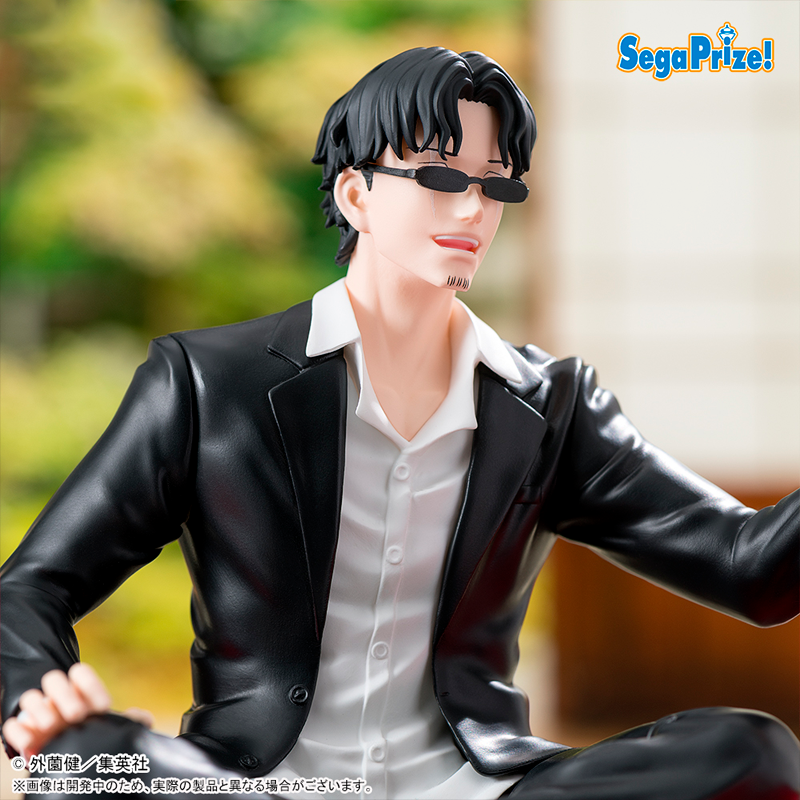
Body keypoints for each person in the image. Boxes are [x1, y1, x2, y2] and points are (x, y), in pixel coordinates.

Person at [1, 47, 798, 800]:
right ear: (356, 195)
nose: (472, 208)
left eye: (496, 186)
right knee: (85, 755)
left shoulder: (548, 406)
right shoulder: (210, 382)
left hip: (475, 786)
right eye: (439, 176)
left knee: (751, 750)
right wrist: (41, 700)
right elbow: (32, 588)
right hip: (255, 783)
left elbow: (747, 566)